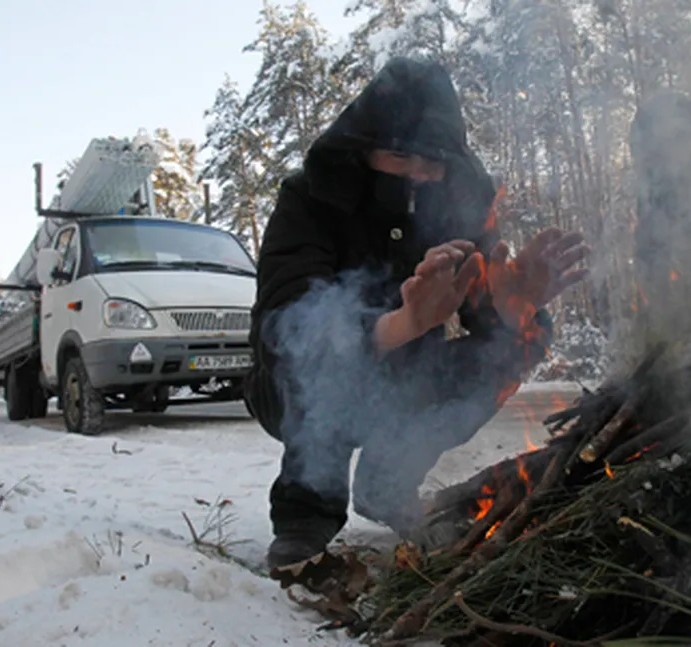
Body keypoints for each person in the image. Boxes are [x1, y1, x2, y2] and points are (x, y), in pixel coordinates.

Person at [243, 56, 589, 569]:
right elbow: (284, 328)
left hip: (404, 385)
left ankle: (389, 481)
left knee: (506, 353)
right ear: (364, 150)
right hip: (293, 384)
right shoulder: (308, 200)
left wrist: (518, 310)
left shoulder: (457, 212)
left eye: (435, 162)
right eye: (402, 156)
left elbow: (491, 329)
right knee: (313, 358)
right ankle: (306, 511)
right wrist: (403, 325)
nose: (420, 175)